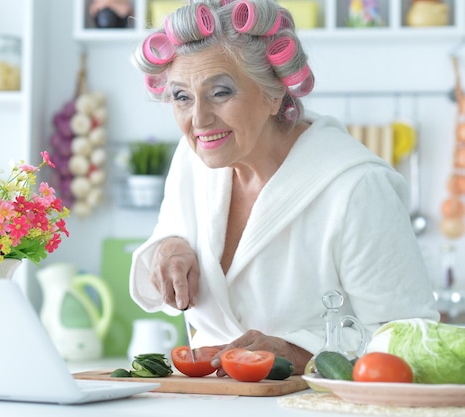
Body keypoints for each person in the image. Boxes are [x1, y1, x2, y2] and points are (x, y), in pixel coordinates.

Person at [128, 0, 439, 376]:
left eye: (221, 92)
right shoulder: (194, 158)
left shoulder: (356, 187)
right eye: (181, 96)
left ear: (275, 92)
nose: (199, 118)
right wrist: (171, 248)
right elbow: (174, 230)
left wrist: (298, 352)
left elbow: (410, 340)